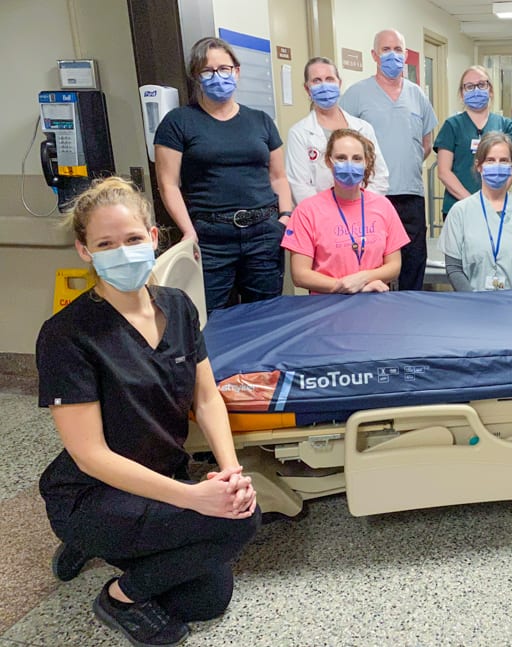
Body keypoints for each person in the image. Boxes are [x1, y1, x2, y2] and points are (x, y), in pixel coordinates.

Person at [36, 177, 260, 646]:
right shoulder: (67, 335)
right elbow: (90, 456)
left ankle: (124, 548)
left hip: (161, 476)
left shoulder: (177, 306)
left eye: (133, 239)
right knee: (241, 523)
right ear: (84, 251)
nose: (123, 252)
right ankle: (119, 595)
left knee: (207, 600)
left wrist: (230, 471)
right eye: (106, 244)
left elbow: (205, 397)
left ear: (154, 238)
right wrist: (195, 500)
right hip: (92, 493)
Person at [155, 36, 293, 313]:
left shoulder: (261, 120)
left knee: (266, 315)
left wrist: (285, 217)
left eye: (225, 69)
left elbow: (278, 176)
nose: (218, 76)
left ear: (237, 71)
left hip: (263, 233)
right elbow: (168, 184)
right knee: (211, 316)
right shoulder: (178, 122)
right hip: (211, 237)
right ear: (197, 77)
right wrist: (188, 231)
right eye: (208, 71)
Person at [340, 29, 438, 291]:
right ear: (374, 55)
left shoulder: (417, 95)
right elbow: (342, 141)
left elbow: (426, 144)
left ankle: (412, 316)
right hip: (370, 197)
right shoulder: (356, 94)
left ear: (406, 55)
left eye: (398, 50)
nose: (392, 55)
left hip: (411, 194)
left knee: (413, 261)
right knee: (371, 266)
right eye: (386, 50)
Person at [281, 129, 410, 294]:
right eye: (341, 158)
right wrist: (348, 287)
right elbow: (300, 275)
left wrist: (362, 279)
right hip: (326, 305)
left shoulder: (383, 206)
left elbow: (394, 266)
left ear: (366, 162)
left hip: (374, 302)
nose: (349, 164)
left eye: (357, 159)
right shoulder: (307, 211)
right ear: (329, 161)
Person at [438, 132, 512, 291]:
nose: (497, 166)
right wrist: (472, 300)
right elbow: (453, 267)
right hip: (472, 306)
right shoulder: (460, 212)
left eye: (504, 161)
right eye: (490, 160)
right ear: (479, 166)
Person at [285, 56, 389, 206]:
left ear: (339, 83)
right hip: (320, 217)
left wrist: (361, 208)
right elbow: (299, 186)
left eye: (329, 79)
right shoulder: (299, 133)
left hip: (363, 212)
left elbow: (379, 176)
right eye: (316, 81)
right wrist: (330, 215)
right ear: (307, 89)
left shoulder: (363, 128)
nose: (324, 86)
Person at [434, 65, 512, 218]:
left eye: (481, 85)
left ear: (490, 90)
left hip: (496, 207)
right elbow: (444, 172)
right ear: (462, 93)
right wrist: (472, 203)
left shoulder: (505, 125)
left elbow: (511, 168)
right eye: (469, 87)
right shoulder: (452, 126)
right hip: (459, 207)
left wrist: (492, 201)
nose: (476, 90)